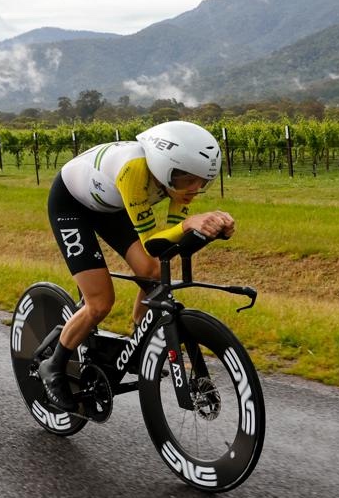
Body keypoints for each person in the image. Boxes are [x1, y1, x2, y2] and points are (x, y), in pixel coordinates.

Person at [40, 120, 235, 411]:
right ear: (164, 166)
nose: (194, 189)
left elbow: (164, 247)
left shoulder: (176, 181)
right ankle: (53, 366)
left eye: (202, 182)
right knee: (100, 302)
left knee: (153, 272)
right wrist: (189, 224)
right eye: (187, 180)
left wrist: (209, 230)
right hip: (72, 205)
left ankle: (138, 341)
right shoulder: (134, 170)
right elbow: (151, 241)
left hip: (112, 206)